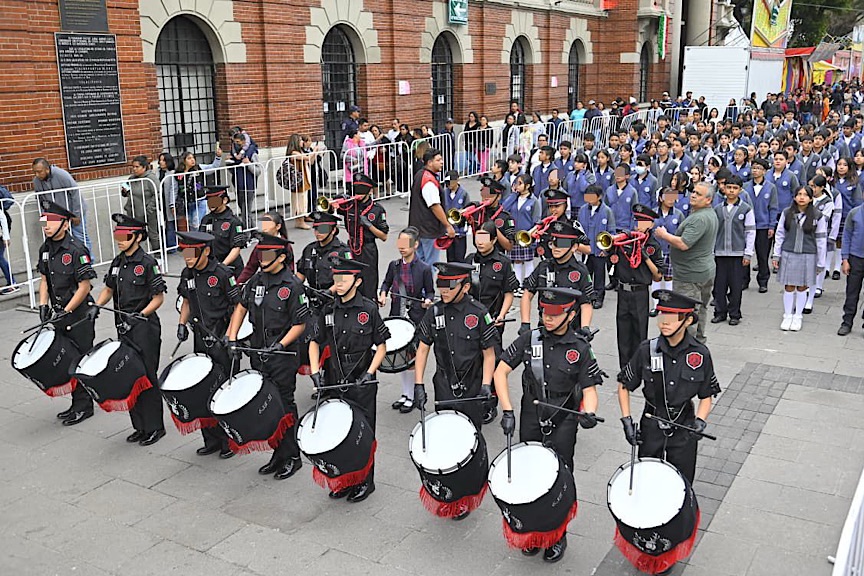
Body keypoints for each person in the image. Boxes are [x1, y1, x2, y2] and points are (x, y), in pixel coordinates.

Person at [494, 286, 603, 563]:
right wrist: (507, 410)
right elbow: (501, 371)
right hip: (532, 414)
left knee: (559, 478)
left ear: (571, 315)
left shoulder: (580, 348)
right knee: (529, 474)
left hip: (563, 420)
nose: (548, 318)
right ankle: (532, 532)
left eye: (555, 314)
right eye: (544, 312)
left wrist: (589, 412)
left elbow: (590, 390)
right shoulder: (529, 339)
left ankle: (557, 534)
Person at [617, 288, 720, 488]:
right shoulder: (646, 350)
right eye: (662, 316)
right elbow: (624, 385)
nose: (664, 322)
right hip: (651, 423)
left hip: (684, 425)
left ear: (688, 320)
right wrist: (626, 420)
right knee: (646, 480)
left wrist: (701, 420)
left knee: (681, 484)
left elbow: (706, 394)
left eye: (672, 318)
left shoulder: (700, 354)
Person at [226, 233, 308, 479]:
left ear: (281, 257)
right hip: (258, 349)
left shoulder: (292, 285)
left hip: (281, 354)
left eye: (268, 255)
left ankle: (292, 456)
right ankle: (277, 453)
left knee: (283, 404)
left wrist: (280, 344)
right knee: (266, 405)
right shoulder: (256, 280)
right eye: (261, 254)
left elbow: (300, 324)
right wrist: (232, 336)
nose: (262, 259)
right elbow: (241, 307)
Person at [309, 255, 389, 502]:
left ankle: (365, 482)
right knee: (338, 432)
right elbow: (314, 341)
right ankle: (344, 480)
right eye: (337, 278)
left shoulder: (368, 309)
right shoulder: (328, 309)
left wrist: (369, 373)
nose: (339, 283)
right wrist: (315, 372)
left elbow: (382, 346)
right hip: (335, 377)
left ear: (357, 281)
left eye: (344, 279)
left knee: (363, 433)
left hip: (361, 380)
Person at [413, 261, 499, 465]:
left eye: (449, 286)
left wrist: (486, 385)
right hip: (444, 384)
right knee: (445, 432)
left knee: (471, 436)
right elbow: (423, 349)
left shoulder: (479, 313)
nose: (444, 291)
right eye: (440, 285)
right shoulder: (435, 312)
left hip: (472, 385)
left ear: (465, 287)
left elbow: (489, 354)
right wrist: (418, 384)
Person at [94, 214, 166, 446]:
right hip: (123, 327)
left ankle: (155, 427)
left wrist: (141, 314)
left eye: (124, 237)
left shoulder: (147, 263)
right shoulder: (118, 262)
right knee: (130, 376)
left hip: (144, 328)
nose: (120, 241)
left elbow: (158, 298)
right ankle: (139, 426)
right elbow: (108, 289)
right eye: (118, 236)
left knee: (147, 376)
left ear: (138, 237)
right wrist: (96, 306)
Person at [175, 231, 240, 459]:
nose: (187, 258)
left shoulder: (222, 274)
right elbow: (186, 301)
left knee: (224, 391)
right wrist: (181, 324)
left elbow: (238, 307)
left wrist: (231, 336)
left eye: (192, 253)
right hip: (201, 338)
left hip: (222, 337)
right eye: (184, 253)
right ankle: (211, 440)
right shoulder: (187, 274)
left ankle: (229, 441)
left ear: (206, 251)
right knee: (202, 389)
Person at [36, 199, 97, 425]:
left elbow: (84, 286)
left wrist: (67, 310)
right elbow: (44, 280)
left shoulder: (76, 250)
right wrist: (43, 305)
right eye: (44, 221)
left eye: (51, 221)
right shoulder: (45, 249)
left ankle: (85, 406)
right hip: (60, 313)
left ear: (65, 224)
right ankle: (76, 403)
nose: (46, 226)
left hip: (79, 315)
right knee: (67, 360)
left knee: (80, 359)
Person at [467, 221, 520, 423]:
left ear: (494, 240)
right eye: (477, 238)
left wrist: (502, 315)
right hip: (471, 320)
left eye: (484, 238)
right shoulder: (470, 260)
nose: (480, 242)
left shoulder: (503, 263)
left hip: (493, 320)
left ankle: (491, 403)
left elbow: (509, 292)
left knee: (493, 361)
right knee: (472, 360)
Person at [654, 181, 719, 343]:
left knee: (686, 312)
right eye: (693, 192)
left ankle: (687, 346)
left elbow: (684, 243)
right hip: (702, 270)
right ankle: (698, 342)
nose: (693, 195)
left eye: (698, 194)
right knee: (700, 308)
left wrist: (664, 235)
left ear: (708, 200)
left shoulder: (699, 218)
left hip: (690, 275)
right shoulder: (706, 214)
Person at [379, 227, 434, 412]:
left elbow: (430, 291)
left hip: (415, 316)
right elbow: (386, 283)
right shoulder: (393, 265)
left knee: (411, 358)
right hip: (397, 314)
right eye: (400, 243)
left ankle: (411, 396)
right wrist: (383, 293)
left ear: (415, 244)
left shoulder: (424, 268)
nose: (402, 247)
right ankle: (405, 393)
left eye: (406, 243)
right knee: (401, 356)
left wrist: (428, 300)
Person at [611, 204, 664, 367]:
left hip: (640, 292)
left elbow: (658, 275)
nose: (639, 225)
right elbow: (611, 257)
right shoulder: (625, 241)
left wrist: (645, 256)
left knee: (639, 331)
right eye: (637, 221)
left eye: (643, 222)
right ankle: (624, 368)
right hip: (623, 291)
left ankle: (638, 367)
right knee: (623, 332)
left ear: (651, 224)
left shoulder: (653, 246)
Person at [520, 220, 595, 336]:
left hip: (571, 330)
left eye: (562, 244)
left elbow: (586, 302)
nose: (556, 248)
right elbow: (527, 294)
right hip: (545, 328)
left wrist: (585, 327)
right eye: (553, 243)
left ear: (574, 247)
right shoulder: (543, 266)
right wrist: (525, 323)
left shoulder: (580, 271)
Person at [773, 185, 828, 331]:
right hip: (789, 252)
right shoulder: (787, 213)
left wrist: (821, 262)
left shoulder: (817, 216)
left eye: (805, 195)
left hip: (808, 254)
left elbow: (821, 240)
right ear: (794, 197)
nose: (802, 197)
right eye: (799, 194)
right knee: (789, 286)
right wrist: (776, 254)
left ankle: (798, 316)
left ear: (811, 198)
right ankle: (787, 315)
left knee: (803, 286)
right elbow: (780, 234)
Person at [711, 174, 755, 325]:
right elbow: (713, 231)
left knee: (736, 286)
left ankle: (735, 314)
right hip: (720, 253)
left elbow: (750, 232)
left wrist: (748, 253)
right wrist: (712, 251)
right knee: (719, 285)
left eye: (735, 188)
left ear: (740, 190)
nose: (731, 191)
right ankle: (720, 312)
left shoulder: (746, 209)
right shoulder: (717, 209)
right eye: (728, 187)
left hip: (737, 253)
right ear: (723, 189)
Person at [337, 174, 388, 299]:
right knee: (350, 281)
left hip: (368, 249)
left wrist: (369, 225)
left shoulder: (377, 209)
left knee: (369, 282)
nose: (359, 193)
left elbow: (384, 236)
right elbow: (330, 208)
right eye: (357, 189)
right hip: (351, 247)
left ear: (370, 191)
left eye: (362, 190)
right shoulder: (350, 205)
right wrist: (338, 199)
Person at [32, 158, 90, 251]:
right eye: (34, 172)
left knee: (80, 238)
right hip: (56, 215)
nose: (37, 175)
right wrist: (44, 220)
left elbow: (75, 193)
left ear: (47, 169)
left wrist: (76, 214)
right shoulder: (36, 181)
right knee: (58, 240)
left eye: (39, 172)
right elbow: (41, 201)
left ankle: (87, 259)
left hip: (72, 211)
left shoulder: (61, 174)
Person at [409, 148, 453, 265]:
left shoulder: (420, 174)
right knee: (431, 264)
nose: (442, 162)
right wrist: (447, 225)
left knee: (419, 263)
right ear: (429, 163)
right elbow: (435, 206)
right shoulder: (428, 180)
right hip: (428, 230)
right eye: (438, 160)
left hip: (417, 228)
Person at [743, 158, 779, 292]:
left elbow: (773, 208)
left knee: (762, 256)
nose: (755, 171)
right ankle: (744, 280)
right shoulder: (745, 187)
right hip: (747, 226)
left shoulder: (771, 187)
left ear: (764, 171)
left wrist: (771, 226)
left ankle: (763, 281)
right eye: (753, 168)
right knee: (745, 254)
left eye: (758, 168)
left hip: (763, 226)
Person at [578, 184, 616, 309]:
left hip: (600, 251)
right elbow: (578, 229)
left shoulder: (607, 211)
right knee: (586, 274)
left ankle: (599, 297)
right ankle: (587, 296)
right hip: (586, 250)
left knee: (599, 276)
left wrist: (606, 250)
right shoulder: (583, 210)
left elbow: (611, 232)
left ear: (599, 197)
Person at [199, 185, 247, 278]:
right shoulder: (206, 219)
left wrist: (222, 266)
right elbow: (201, 243)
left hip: (229, 268)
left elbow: (236, 248)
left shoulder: (234, 222)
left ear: (224, 200)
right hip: (210, 267)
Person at [502, 173, 540, 285]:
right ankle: (518, 284)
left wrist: (530, 235)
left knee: (528, 260)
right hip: (514, 235)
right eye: (516, 183)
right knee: (516, 261)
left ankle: (528, 285)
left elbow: (537, 220)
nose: (517, 185)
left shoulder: (534, 200)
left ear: (527, 186)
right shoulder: (514, 198)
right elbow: (504, 208)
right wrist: (514, 194)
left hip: (527, 236)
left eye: (520, 183)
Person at [238, 211, 295, 283]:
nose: (264, 227)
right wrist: (238, 284)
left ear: (278, 226)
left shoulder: (285, 246)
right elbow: (250, 268)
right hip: (265, 281)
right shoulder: (260, 245)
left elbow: (290, 268)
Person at [175, 147, 222, 232]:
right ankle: (196, 238)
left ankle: (200, 238)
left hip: (200, 200)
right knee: (190, 224)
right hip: (187, 202)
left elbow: (213, 167)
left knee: (196, 222)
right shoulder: (178, 173)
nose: (192, 160)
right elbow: (176, 187)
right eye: (189, 158)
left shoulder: (199, 168)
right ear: (184, 161)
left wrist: (218, 157)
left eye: (193, 158)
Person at [123, 155, 161, 253]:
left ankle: (157, 253)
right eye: (133, 167)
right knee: (136, 234)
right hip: (134, 212)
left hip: (149, 211)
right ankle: (138, 254)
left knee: (153, 233)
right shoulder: (131, 179)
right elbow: (125, 192)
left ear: (144, 167)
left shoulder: (151, 178)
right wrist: (124, 191)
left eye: (137, 167)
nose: (134, 169)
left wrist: (150, 208)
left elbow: (157, 193)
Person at [470, 176, 516, 252]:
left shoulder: (506, 217)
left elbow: (509, 247)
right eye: (484, 194)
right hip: (480, 254)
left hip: (498, 256)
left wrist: (493, 228)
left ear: (498, 197)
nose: (486, 197)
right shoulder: (478, 213)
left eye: (490, 195)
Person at [838, 201, 864, 335]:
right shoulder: (854, 213)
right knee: (852, 293)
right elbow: (846, 236)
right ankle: (847, 322)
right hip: (855, 258)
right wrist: (845, 259)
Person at [441, 170, 470, 262]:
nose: (449, 184)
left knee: (459, 257)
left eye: (451, 181)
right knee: (450, 258)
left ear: (457, 180)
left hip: (460, 232)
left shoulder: (464, 194)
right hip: (448, 232)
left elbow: (468, 211)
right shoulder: (444, 193)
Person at [157, 152, 179, 250]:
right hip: (159, 202)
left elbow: (173, 189)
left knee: (170, 224)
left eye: (163, 160)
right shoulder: (157, 172)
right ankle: (162, 245)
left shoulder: (172, 173)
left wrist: (172, 204)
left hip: (167, 201)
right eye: (160, 160)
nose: (161, 162)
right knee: (161, 224)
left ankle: (171, 246)